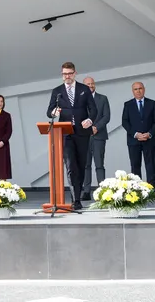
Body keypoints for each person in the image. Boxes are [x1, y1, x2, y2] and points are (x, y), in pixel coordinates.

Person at [47, 62, 96, 210]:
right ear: (62, 75)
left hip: (82, 132)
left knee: (81, 165)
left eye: (69, 73)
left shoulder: (84, 89)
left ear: (75, 73)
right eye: (64, 74)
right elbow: (49, 110)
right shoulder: (57, 91)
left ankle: (78, 193)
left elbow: (93, 109)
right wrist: (53, 112)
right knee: (70, 165)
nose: (67, 76)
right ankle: (75, 200)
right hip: (65, 133)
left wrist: (90, 120)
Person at [121, 82, 155, 188]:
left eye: (140, 88)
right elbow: (125, 122)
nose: (138, 91)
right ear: (132, 91)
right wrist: (136, 134)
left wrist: (149, 134)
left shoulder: (152, 103)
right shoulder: (128, 105)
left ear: (144, 89)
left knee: (150, 164)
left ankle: (152, 188)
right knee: (135, 165)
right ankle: (136, 188)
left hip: (149, 139)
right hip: (134, 140)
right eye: (136, 89)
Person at [80, 77, 110, 201]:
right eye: (88, 84)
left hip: (99, 135)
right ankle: (86, 191)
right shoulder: (79, 99)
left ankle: (101, 191)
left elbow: (106, 116)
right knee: (86, 165)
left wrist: (96, 127)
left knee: (99, 164)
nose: (91, 86)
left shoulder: (103, 98)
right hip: (84, 136)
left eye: (92, 84)